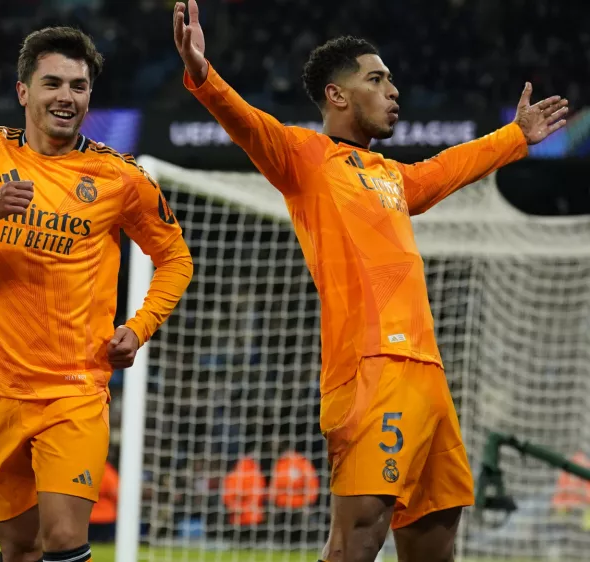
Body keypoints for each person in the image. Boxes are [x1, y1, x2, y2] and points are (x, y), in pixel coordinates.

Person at [172, 1, 568, 561]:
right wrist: (202, 76)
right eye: (377, 79)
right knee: (357, 541)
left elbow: (448, 168)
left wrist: (515, 136)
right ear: (337, 95)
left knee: (435, 542)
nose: (394, 91)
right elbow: (247, 122)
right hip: (369, 369)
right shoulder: (304, 158)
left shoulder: (392, 177)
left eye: (392, 81)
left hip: (428, 375)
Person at [0, 26, 194, 562]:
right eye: (53, 83)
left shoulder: (119, 176)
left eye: (79, 86)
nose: (67, 97)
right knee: (20, 546)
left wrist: (139, 329)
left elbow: (175, 258)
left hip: (74, 388)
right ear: (24, 91)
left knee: (65, 540)